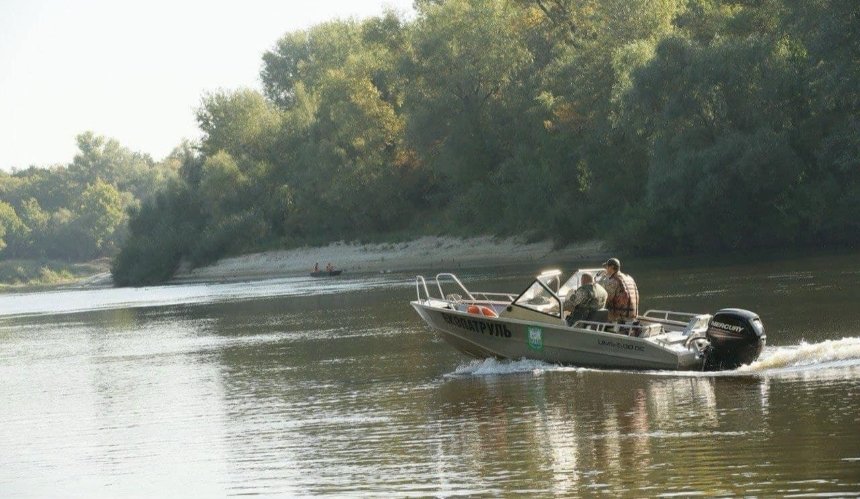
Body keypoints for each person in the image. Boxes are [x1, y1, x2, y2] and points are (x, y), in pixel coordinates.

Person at [598, 258, 639, 324]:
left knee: (596, 313)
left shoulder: (613, 281)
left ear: (612, 267)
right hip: (633, 315)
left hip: (620, 317)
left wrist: (603, 278)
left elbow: (606, 299)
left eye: (607, 267)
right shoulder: (629, 277)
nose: (606, 269)